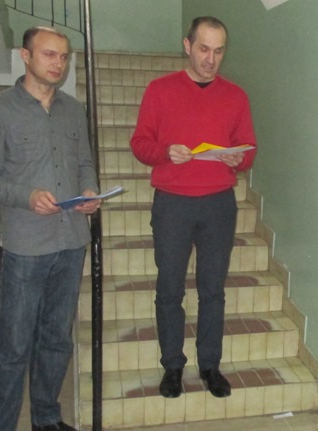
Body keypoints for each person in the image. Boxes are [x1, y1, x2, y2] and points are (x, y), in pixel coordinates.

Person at [0, 26, 99, 431]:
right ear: (25, 56)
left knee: (57, 340)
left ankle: (46, 419)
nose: (58, 63)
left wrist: (89, 190)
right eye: (49, 54)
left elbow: (84, 163)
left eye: (64, 56)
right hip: (26, 247)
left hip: (71, 241)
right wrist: (27, 196)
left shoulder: (73, 110)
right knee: (13, 347)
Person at [130, 16, 256, 400]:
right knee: (170, 288)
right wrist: (165, 152)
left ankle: (210, 365)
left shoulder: (235, 96)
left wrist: (239, 159)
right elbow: (140, 144)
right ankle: (172, 366)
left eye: (218, 51)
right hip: (172, 203)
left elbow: (249, 149)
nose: (210, 59)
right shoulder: (160, 90)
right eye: (203, 49)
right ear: (187, 46)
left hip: (218, 203)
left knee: (212, 290)